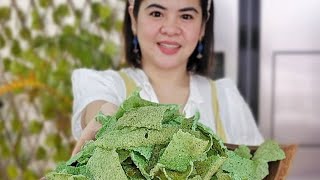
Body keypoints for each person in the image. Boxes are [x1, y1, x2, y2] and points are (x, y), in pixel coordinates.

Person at [71, 0, 263, 155]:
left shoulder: (226, 99)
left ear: (203, 26)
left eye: (186, 16)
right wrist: (106, 116)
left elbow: (262, 170)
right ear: (134, 18)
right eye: (157, 13)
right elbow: (95, 105)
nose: (171, 29)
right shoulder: (107, 84)